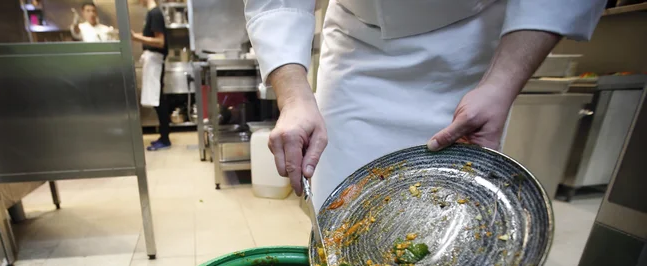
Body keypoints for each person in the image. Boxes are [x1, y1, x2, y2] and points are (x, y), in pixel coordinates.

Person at [244, 0, 606, 208]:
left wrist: (501, 84)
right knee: (343, 203)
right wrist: (294, 98)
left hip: (472, 42)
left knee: (442, 214)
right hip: (360, 41)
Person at [132, 0, 171, 150]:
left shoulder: (155, 13)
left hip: (155, 60)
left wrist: (136, 38)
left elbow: (160, 42)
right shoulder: (152, 13)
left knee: (158, 100)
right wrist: (136, 35)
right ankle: (163, 136)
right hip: (153, 60)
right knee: (157, 100)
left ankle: (165, 139)